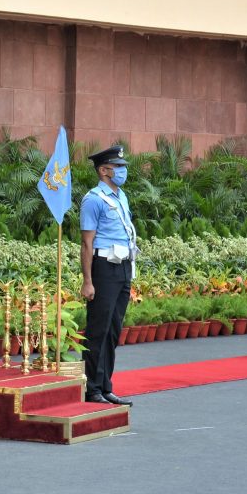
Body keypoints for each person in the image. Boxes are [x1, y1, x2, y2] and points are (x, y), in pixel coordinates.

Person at [79, 145, 136, 407]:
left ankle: (106, 385)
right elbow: (87, 243)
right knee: (98, 330)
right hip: (103, 266)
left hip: (123, 266)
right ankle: (92, 388)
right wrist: (88, 281)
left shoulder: (120, 196)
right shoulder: (93, 199)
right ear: (104, 170)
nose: (123, 171)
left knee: (113, 331)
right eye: (118, 167)